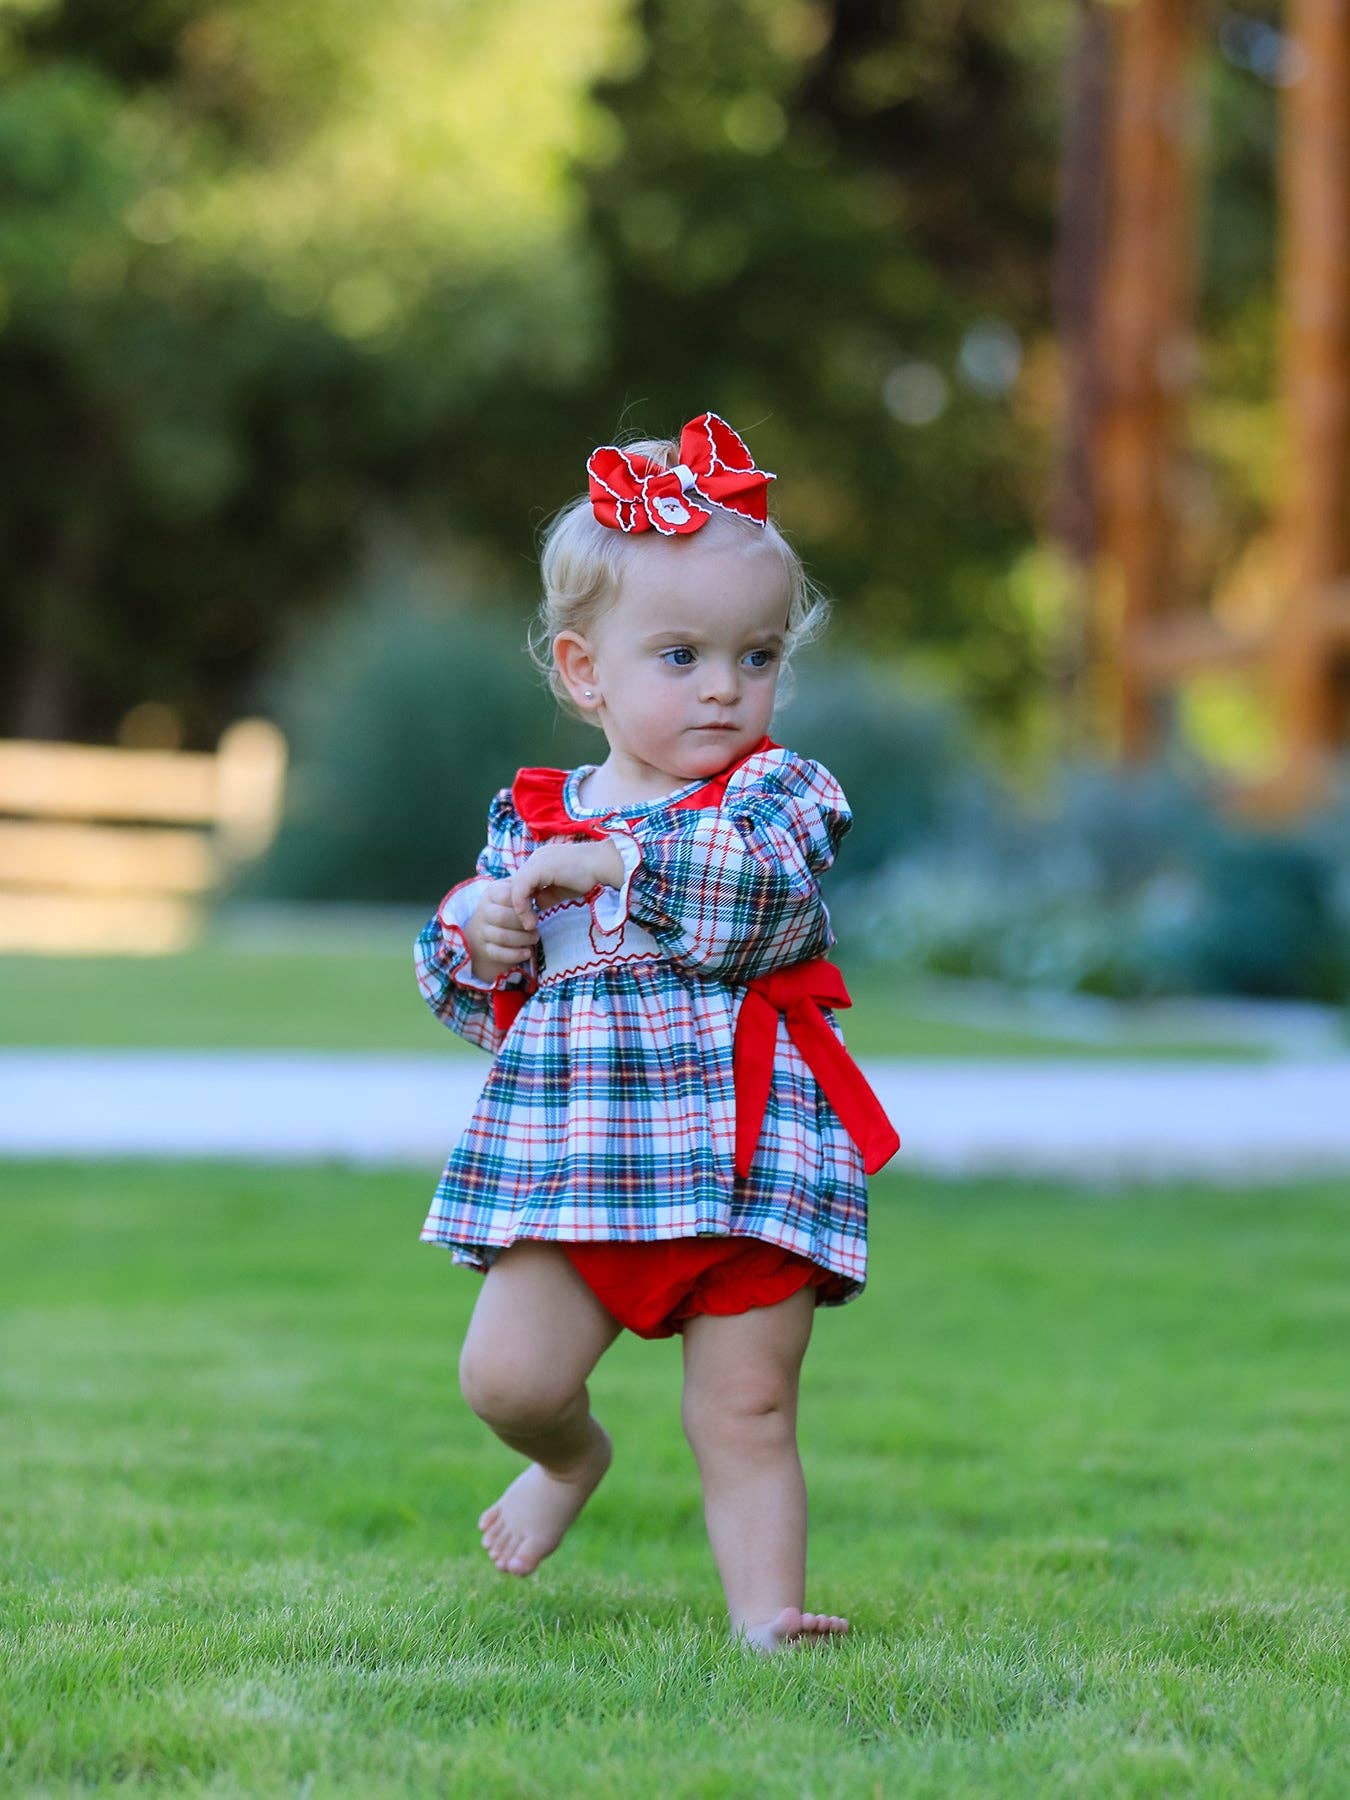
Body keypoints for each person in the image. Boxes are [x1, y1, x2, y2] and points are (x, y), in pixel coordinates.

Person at [414, 412, 900, 1654]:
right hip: (582, 1161)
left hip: (748, 1158)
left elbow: (762, 896)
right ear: (587, 673)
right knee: (507, 1379)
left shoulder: (780, 794)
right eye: (681, 656)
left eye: (757, 655)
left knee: (747, 1408)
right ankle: (569, 1458)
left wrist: (617, 861)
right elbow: (474, 994)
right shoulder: (534, 818)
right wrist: (479, 932)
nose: (725, 686)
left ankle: (767, 1620)